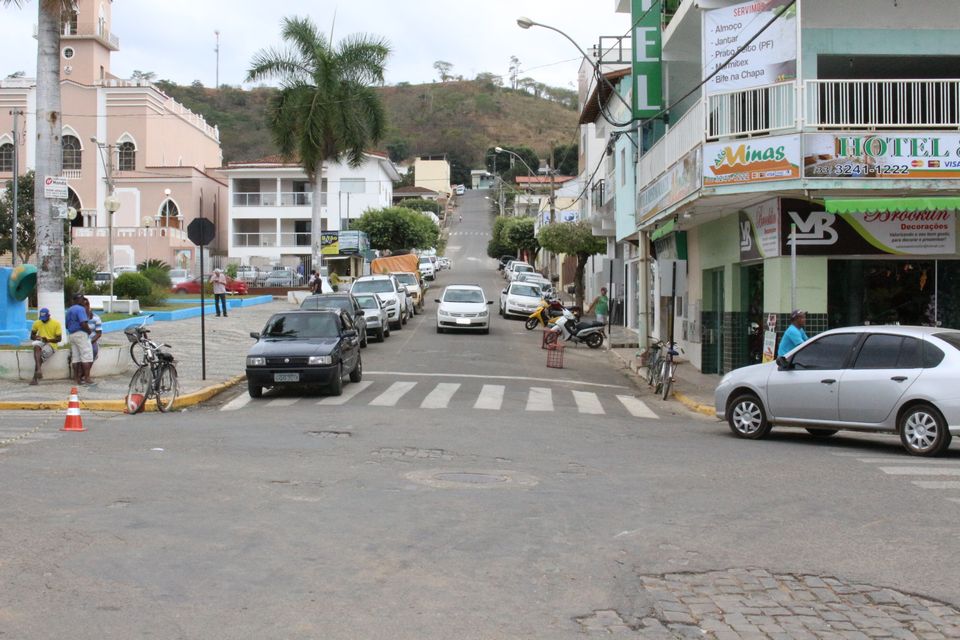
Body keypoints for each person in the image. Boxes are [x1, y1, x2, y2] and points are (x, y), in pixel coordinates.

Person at [65, 293, 94, 385]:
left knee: (76, 357)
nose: (83, 301)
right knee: (86, 356)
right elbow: (83, 323)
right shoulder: (80, 309)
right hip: (81, 334)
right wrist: (89, 331)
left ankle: (76, 378)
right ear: (79, 300)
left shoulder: (69, 310)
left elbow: (66, 325)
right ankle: (87, 378)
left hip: (72, 334)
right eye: (82, 299)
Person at [29, 307, 62, 385]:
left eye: (45, 318)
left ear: (49, 315)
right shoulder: (37, 323)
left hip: (51, 343)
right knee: (36, 346)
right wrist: (36, 337)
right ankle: (39, 370)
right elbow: (32, 336)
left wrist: (48, 340)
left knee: (42, 353)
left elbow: (59, 339)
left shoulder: (56, 323)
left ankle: (35, 377)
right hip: (41, 341)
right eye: (42, 318)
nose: (43, 320)